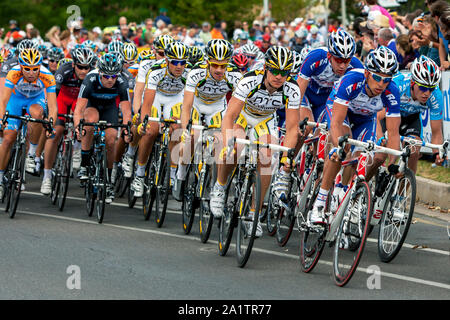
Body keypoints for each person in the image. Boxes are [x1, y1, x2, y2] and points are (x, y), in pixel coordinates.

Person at [210, 46, 301, 238]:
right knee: (236, 146)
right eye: (275, 71)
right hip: (242, 116)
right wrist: (227, 142)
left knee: (267, 157)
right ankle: (219, 186)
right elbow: (230, 116)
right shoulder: (250, 80)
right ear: (266, 68)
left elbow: (293, 128)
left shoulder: (292, 89)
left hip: (265, 120)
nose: (279, 77)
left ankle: (254, 214)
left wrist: (286, 158)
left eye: (284, 73)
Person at [310, 46, 401, 224]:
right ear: (367, 74)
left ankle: (344, 191)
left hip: (365, 118)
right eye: (377, 78)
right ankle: (320, 202)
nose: (381, 84)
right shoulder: (353, 80)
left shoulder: (392, 91)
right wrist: (337, 147)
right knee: (342, 147)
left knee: (362, 156)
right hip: (341, 113)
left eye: (386, 80)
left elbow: (394, 132)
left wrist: (392, 164)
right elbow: (336, 123)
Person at [172, 39, 242, 201]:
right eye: (215, 65)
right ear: (207, 62)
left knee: (220, 142)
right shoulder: (196, 72)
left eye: (223, 66)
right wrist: (185, 129)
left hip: (217, 107)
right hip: (197, 104)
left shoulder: (235, 76)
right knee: (192, 137)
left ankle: (212, 180)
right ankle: (181, 175)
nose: (219, 70)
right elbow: (187, 105)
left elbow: (239, 106)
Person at [369, 56, 444, 179]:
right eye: (423, 88)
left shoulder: (436, 96)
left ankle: (400, 195)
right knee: (380, 156)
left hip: (411, 118)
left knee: (414, 150)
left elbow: (436, 132)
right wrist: (380, 137)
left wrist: (437, 154)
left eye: (430, 89)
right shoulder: (398, 85)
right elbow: (377, 116)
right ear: (412, 83)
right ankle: (360, 190)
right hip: (389, 114)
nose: (427, 93)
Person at [130, 42, 189, 196]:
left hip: (175, 98)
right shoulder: (156, 70)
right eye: (175, 62)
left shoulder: (189, 73)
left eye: (182, 63)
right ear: (167, 61)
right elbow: (147, 102)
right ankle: (140, 173)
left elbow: (190, 102)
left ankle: (172, 175)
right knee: (150, 131)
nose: (179, 66)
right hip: (157, 96)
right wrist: (144, 124)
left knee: (176, 130)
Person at [74, 53, 132, 204]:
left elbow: (126, 110)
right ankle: (85, 163)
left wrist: (127, 129)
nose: (110, 80)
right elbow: (79, 109)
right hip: (92, 105)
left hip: (109, 107)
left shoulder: (122, 81)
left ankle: (107, 180)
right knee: (90, 121)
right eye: (106, 76)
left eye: (113, 76)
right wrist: (77, 127)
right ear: (100, 72)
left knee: (111, 139)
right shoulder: (90, 79)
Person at [0, 48, 57, 197]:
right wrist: (1, 119)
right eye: (27, 69)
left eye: (34, 69)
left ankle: (31, 154)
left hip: (35, 100)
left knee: (37, 113)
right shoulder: (13, 73)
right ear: (20, 66)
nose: (31, 73)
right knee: (8, 138)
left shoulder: (47, 75)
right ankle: (0, 180)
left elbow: (52, 106)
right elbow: (3, 100)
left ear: (40, 66)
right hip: (15, 100)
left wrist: (51, 123)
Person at [40, 47, 96, 195]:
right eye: (80, 67)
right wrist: (48, 115)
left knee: (83, 122)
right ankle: (46, 176)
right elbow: (53, 96)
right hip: (62, 100)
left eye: (87, 67)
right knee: (56, 132)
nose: (84, 71)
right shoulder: (63, 71)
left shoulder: (92, 74)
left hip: (80, 102)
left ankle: (77, 148)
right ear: (73, 65)